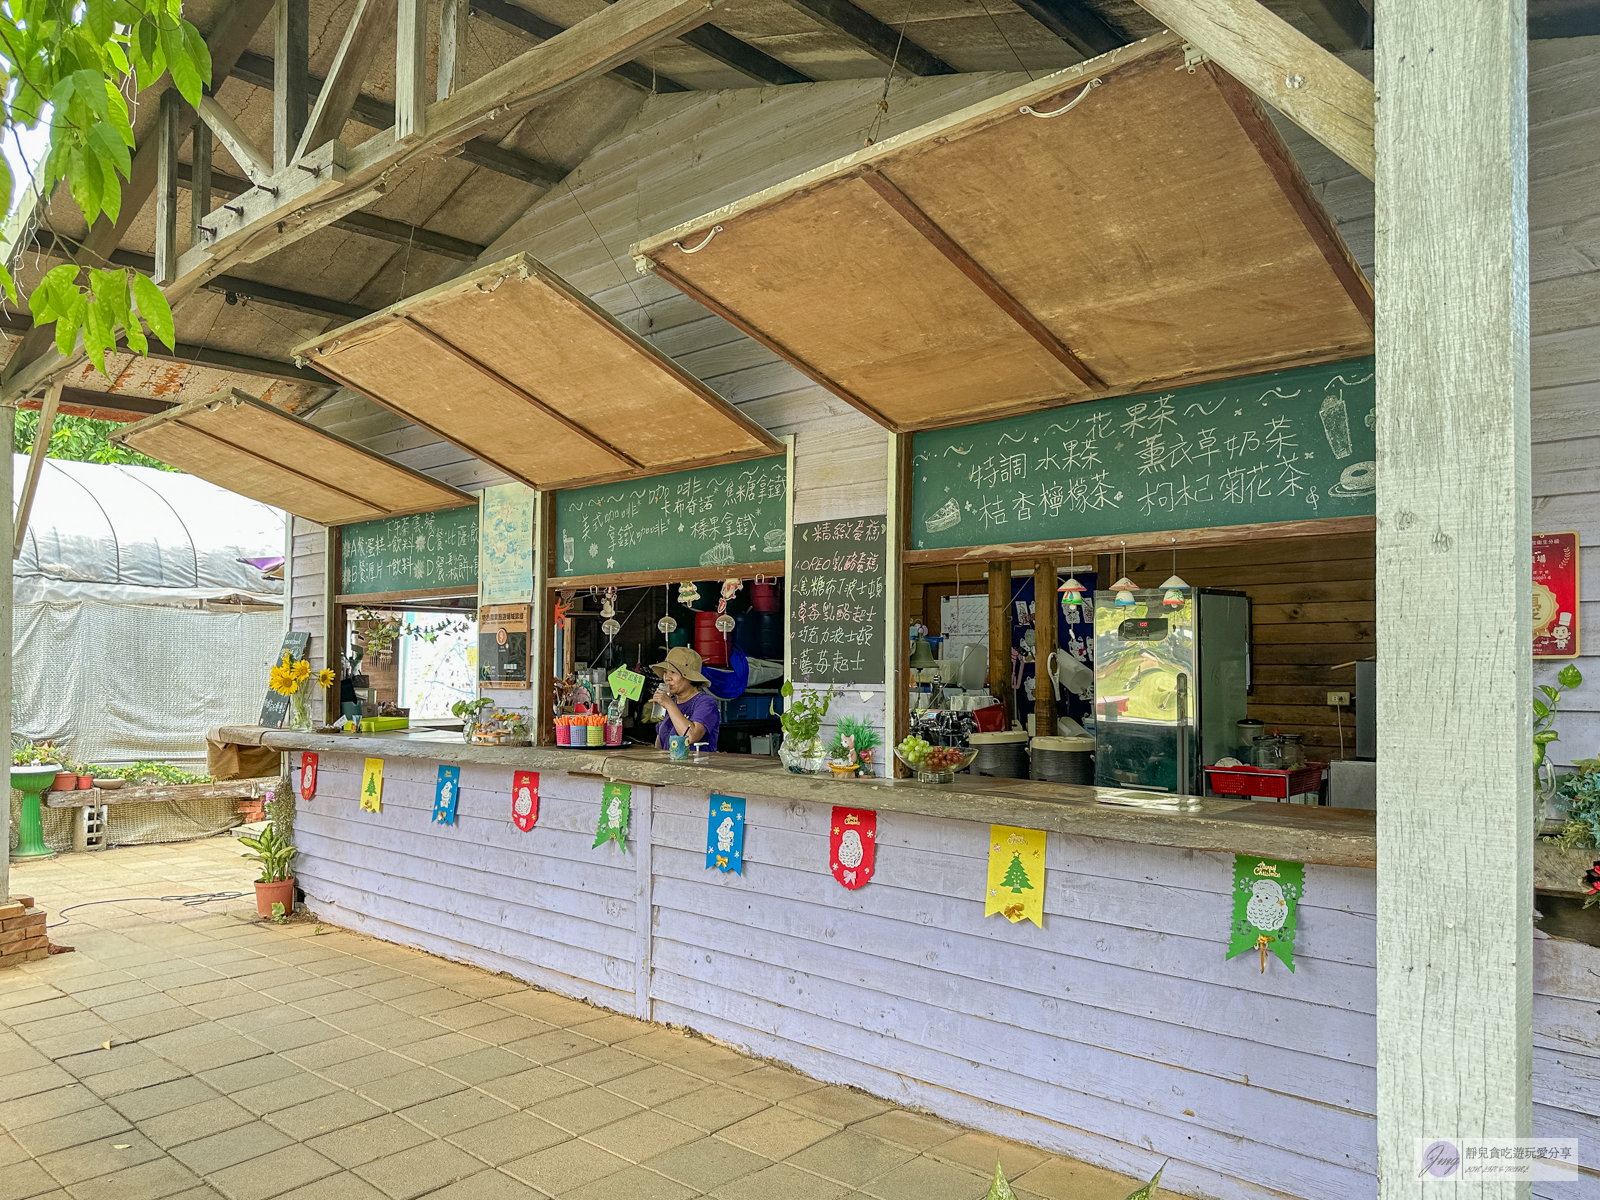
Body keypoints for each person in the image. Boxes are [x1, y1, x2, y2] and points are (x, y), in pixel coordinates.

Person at [650, 646, 721, 752]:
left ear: (689, 677)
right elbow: (660, 743)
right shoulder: (670, 702)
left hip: (697, 767)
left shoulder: (705, 702)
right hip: (669, 767)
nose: (667, 678)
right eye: (665, 672)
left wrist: (669, 705)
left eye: (673, 672)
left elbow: (691, 736)